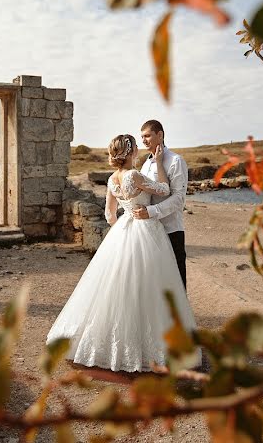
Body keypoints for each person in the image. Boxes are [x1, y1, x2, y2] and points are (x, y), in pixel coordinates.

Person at [46, 134, 198, 372]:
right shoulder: (134, 175)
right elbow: (165, 189)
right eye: (136, 146)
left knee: (118, 287)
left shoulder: (112, 179)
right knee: (150, 287)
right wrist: (158, 163)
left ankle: (111, 347)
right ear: (129, 153)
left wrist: (123, 232)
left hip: (124, 231)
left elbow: (109, 215)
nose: (139, 147)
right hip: (147, 230)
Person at [133, 120, 189, 288]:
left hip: (171, 230)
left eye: (148, 135)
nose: (144, 140)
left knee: (176, 283)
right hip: (149, 232)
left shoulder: (176, 161)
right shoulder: (145, 165)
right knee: (156, 284)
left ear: (160, 135)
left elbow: (179, 198)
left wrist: (151, 211)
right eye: (142, 136)